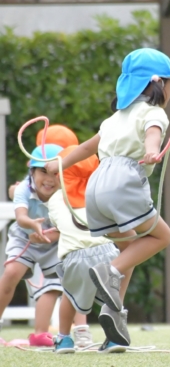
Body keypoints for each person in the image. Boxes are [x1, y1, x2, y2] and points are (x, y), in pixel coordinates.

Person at [46, 48, 170, 342]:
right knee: (161, 237)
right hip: (124, 181)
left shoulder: (114, 119)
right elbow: (153, 132)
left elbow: (83, 149)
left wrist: (58, 164)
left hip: (98, 185)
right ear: (158, 84)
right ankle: (109, 271)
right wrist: (152, 150)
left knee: (128, 247)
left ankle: (113, 317)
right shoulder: (153, 113)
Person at [48, 146, 126, 354]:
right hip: (108, 251)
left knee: (69, 296)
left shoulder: (55, 199)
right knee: (112, 297)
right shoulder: (101, 194)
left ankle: (64, 339)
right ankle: (114, 338)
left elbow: (60, 224)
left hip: (75, 257)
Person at [0, 144, 64, 346]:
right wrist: (33, 226)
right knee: (11, 273)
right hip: (24, 236)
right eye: (43, 171)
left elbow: (66, 227)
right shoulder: (23, 188)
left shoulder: (67, 194)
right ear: (32, 172)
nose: (49, 178)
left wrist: (49, 236)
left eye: (56, 173)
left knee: (53, 285)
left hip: (53, 242)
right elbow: (21, 218)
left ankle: (40, 334)